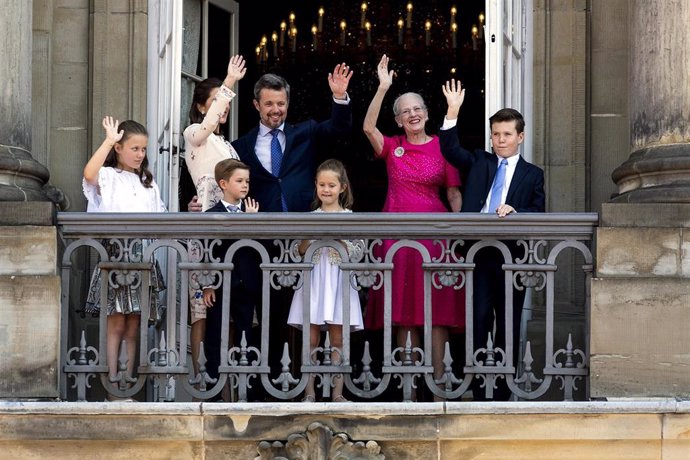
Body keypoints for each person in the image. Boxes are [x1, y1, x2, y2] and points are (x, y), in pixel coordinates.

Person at [362, 55, 464, 398]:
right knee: (404, 314)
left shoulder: (442, 146)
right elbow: (367, 128)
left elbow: (453, 195)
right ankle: (411, 392)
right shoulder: (393, 147)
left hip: (436, 237)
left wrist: (459, 236)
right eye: (405, 111)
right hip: (397, 238)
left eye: (417, 108)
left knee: (436, 316)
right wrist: (383, 87)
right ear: (398, 119)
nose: (412, 114)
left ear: (427, 112)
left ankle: (439, 392)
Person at [439, 79, 546, 400]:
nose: (500, 140)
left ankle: (503, 391)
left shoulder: (533, 174)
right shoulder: (480, 161)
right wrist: (452, 112)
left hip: (512, 256)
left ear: (520, 137)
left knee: (509, 324)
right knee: (478, 319)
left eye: (507, 135)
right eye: (496, 134)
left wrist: (518, 210)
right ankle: (473, 385)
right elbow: (449, 149)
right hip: (479, 251)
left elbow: (539, 212)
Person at [83, 116, 166, 386]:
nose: (140, 154)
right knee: (116, 320)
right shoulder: (108, 176)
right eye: (134, 148)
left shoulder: (148, 183)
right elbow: (89, 174)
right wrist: (108, 140)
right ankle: (111, 380)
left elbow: (161, 217)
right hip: (117, 253)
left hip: (143, 255)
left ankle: (129, 381)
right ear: (119, 148)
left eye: (143, 149)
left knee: (134, 323)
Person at [183, 55, 246, 377]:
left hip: (231, 230)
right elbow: (205, 128)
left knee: (228, 309)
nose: (223, 108)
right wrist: (229, 83)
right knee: (201, 312)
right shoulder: (194, 132)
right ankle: (199, 380)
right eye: (215, 102)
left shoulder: (227, 145)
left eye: (223, 103)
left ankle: (225, 381)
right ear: (201, 106)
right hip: (205, 232)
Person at [287, 159, 363, 402]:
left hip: (338, 280)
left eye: (331, 185)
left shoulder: (351, 218)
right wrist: (312, 234)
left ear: (342, 187)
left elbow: (358, 251)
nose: (326, 190)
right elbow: (297, 250)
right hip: (315, 279)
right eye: (321, 185)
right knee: (311, 337)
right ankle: (309, 392)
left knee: (338, 338)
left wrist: (337, 238)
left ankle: (337, 393)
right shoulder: (310, 217)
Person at [231, 63, 353, 212]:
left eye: (281, 103)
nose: (276, 110)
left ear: (287, 103)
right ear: (257, 105)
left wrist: (339, 97)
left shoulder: (306, 132)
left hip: (304, 221)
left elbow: (339, 128)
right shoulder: (241, 146)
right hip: (263, 224)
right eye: (269, 104)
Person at [201, 159, 261, 399]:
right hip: (220, 284)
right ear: (224, 184)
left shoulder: (253, 210)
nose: (245, 185)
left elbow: (256, 247)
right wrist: (207, 284)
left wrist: (252, 221)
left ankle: (248, 392)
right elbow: (206, 250)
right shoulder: (211, 214)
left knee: (247, 336)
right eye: (239, 181)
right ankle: (213, 391)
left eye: (247, 181)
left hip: (247, 285)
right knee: (215, 336)